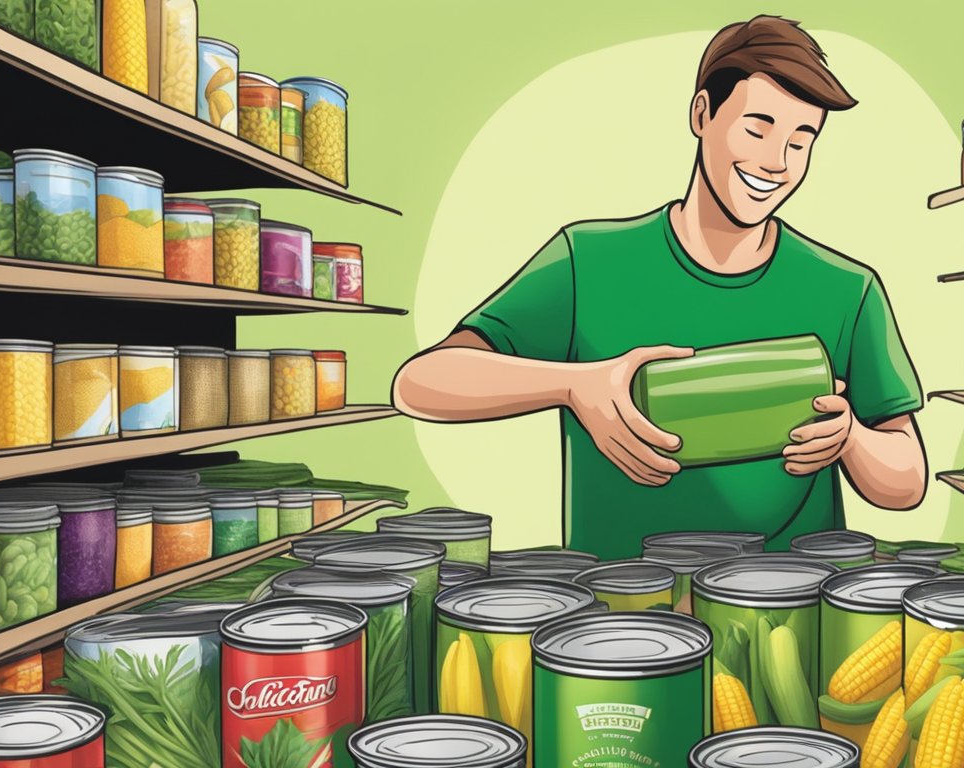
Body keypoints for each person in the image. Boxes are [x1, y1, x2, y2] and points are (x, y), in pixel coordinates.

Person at [393, 15, 927, 559]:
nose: (776, 161)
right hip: (618, 615)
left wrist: (851, 440)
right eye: (757, 127)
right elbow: (420, 383)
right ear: (702, 114)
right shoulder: (590, 262)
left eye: (800, 140)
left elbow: (907, 481)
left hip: (792, 610)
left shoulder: (847, 289)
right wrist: (574, 386)